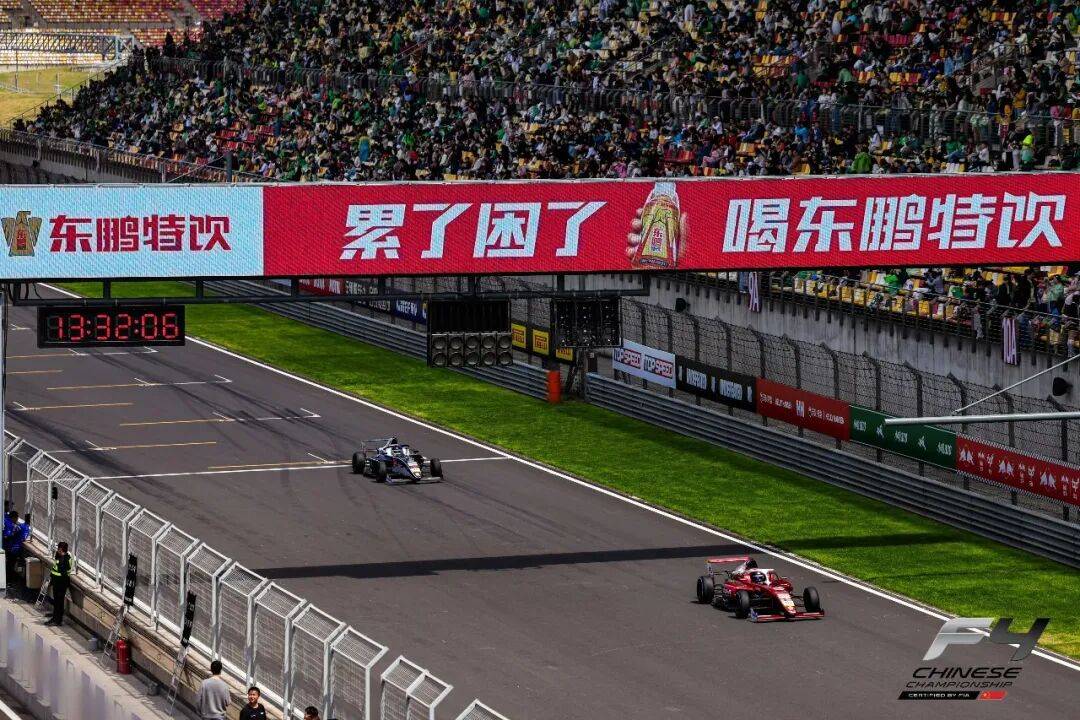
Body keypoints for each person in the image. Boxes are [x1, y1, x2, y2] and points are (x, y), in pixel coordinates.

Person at [45, 542, 71, 626]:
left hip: (61, 584)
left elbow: (63, 574)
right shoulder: (60, 557)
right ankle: (55, 618)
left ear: (60, 549)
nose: (57, 550)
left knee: (59, 602)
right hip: (57, 583)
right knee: (57, 602)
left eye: (58, 548)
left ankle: (57, 620)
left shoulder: (64, 560)